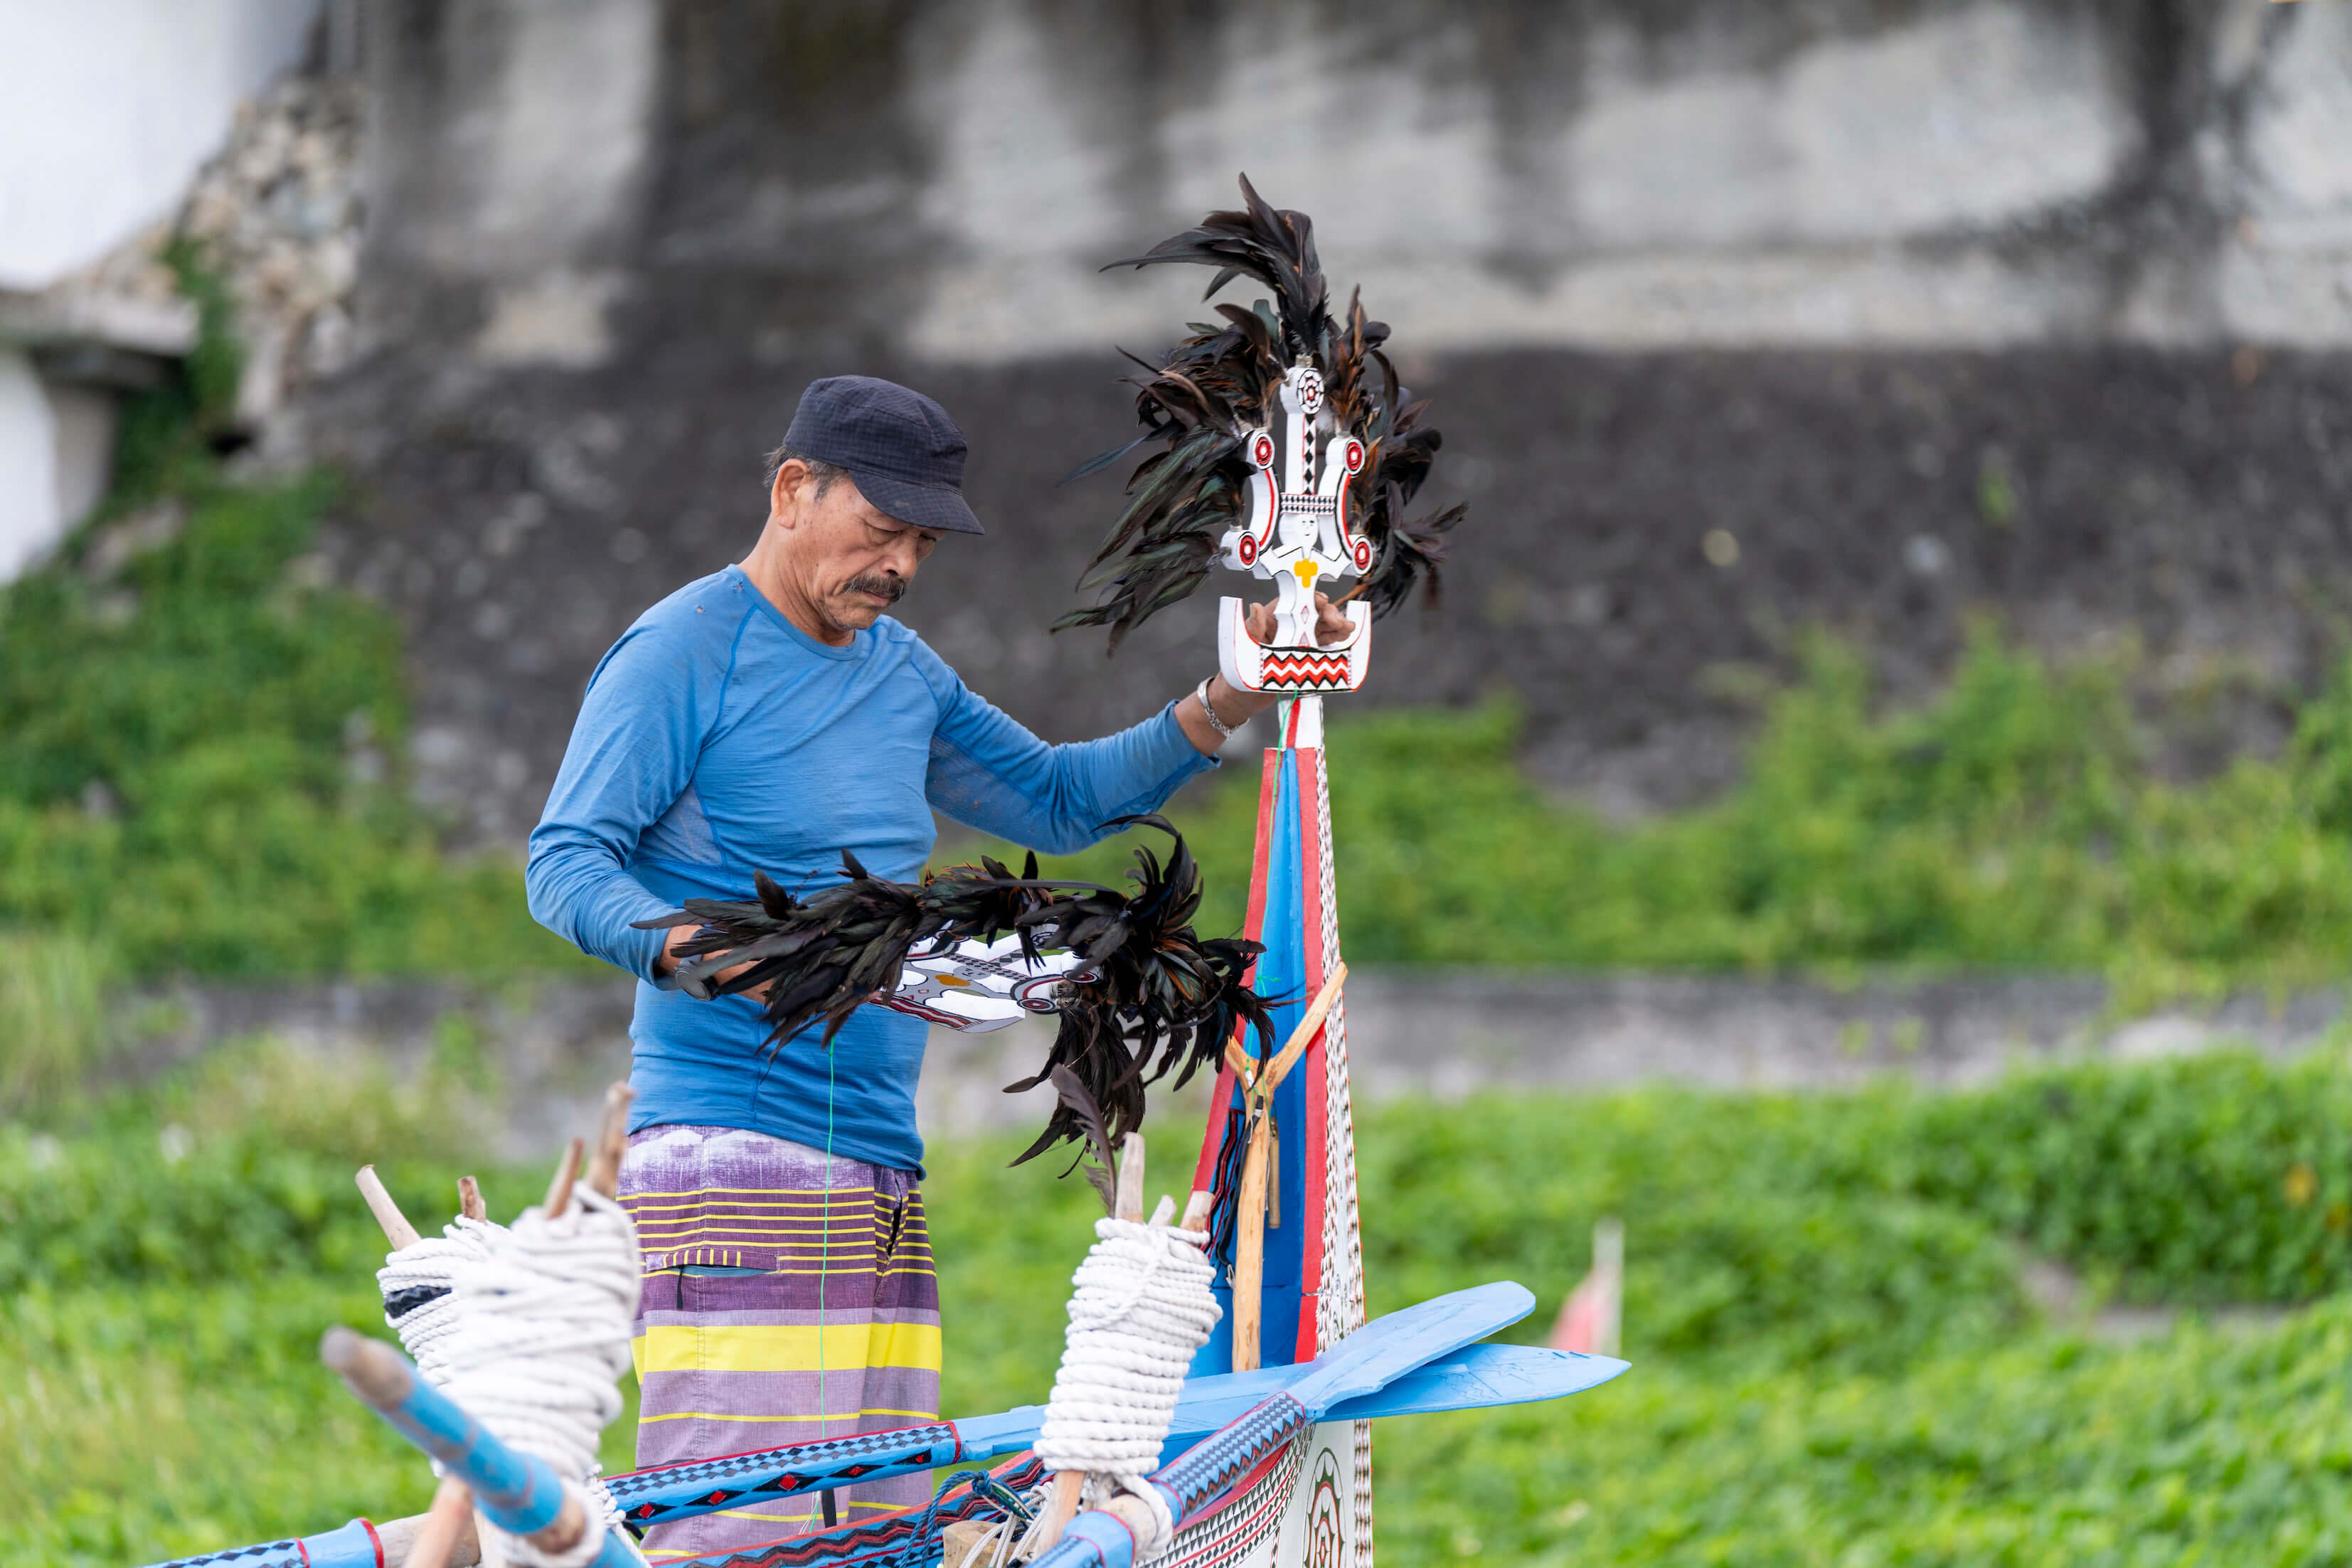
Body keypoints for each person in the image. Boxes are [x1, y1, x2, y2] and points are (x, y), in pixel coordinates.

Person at [526, 375, 1347, 1558]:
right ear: (792, 490)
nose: (900, 562)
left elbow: (1059, 798)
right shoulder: (681, 651)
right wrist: (710, 953)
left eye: (920, 540)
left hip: (877, 1165)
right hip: (734, 1157)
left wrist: (1225, 696)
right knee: (736, 1531)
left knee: (879, 1530)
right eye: (880, 527)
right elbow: (565, 862)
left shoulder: (900, 671)